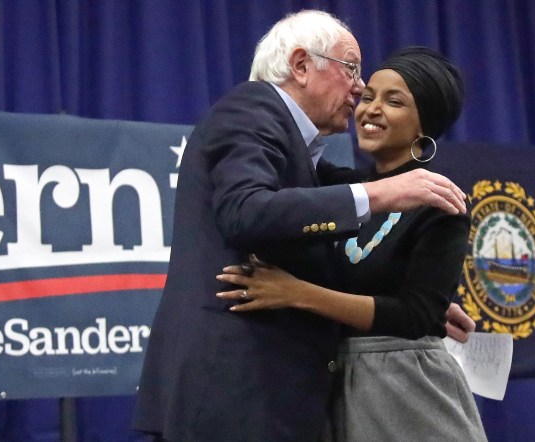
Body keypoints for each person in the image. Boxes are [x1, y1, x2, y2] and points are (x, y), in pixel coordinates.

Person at [133, 10, 469, 441]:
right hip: (235, 394)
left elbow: (398, 299)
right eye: (352, 69)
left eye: (393, 99)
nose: (360, 91)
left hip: (374, 398)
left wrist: (426, 304)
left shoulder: (318, 164)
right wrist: (379, 196)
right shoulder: (254, 112)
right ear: (301, 65)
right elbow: (246, 212)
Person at [217, 47, 487, 441]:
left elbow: (415, 316)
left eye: (394, 101)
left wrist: (294, 293)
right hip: (332, 382)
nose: (370, 110)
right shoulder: (339, 188)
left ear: (424, 126)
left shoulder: (440, 203)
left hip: (408, 390)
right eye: (368, 96)